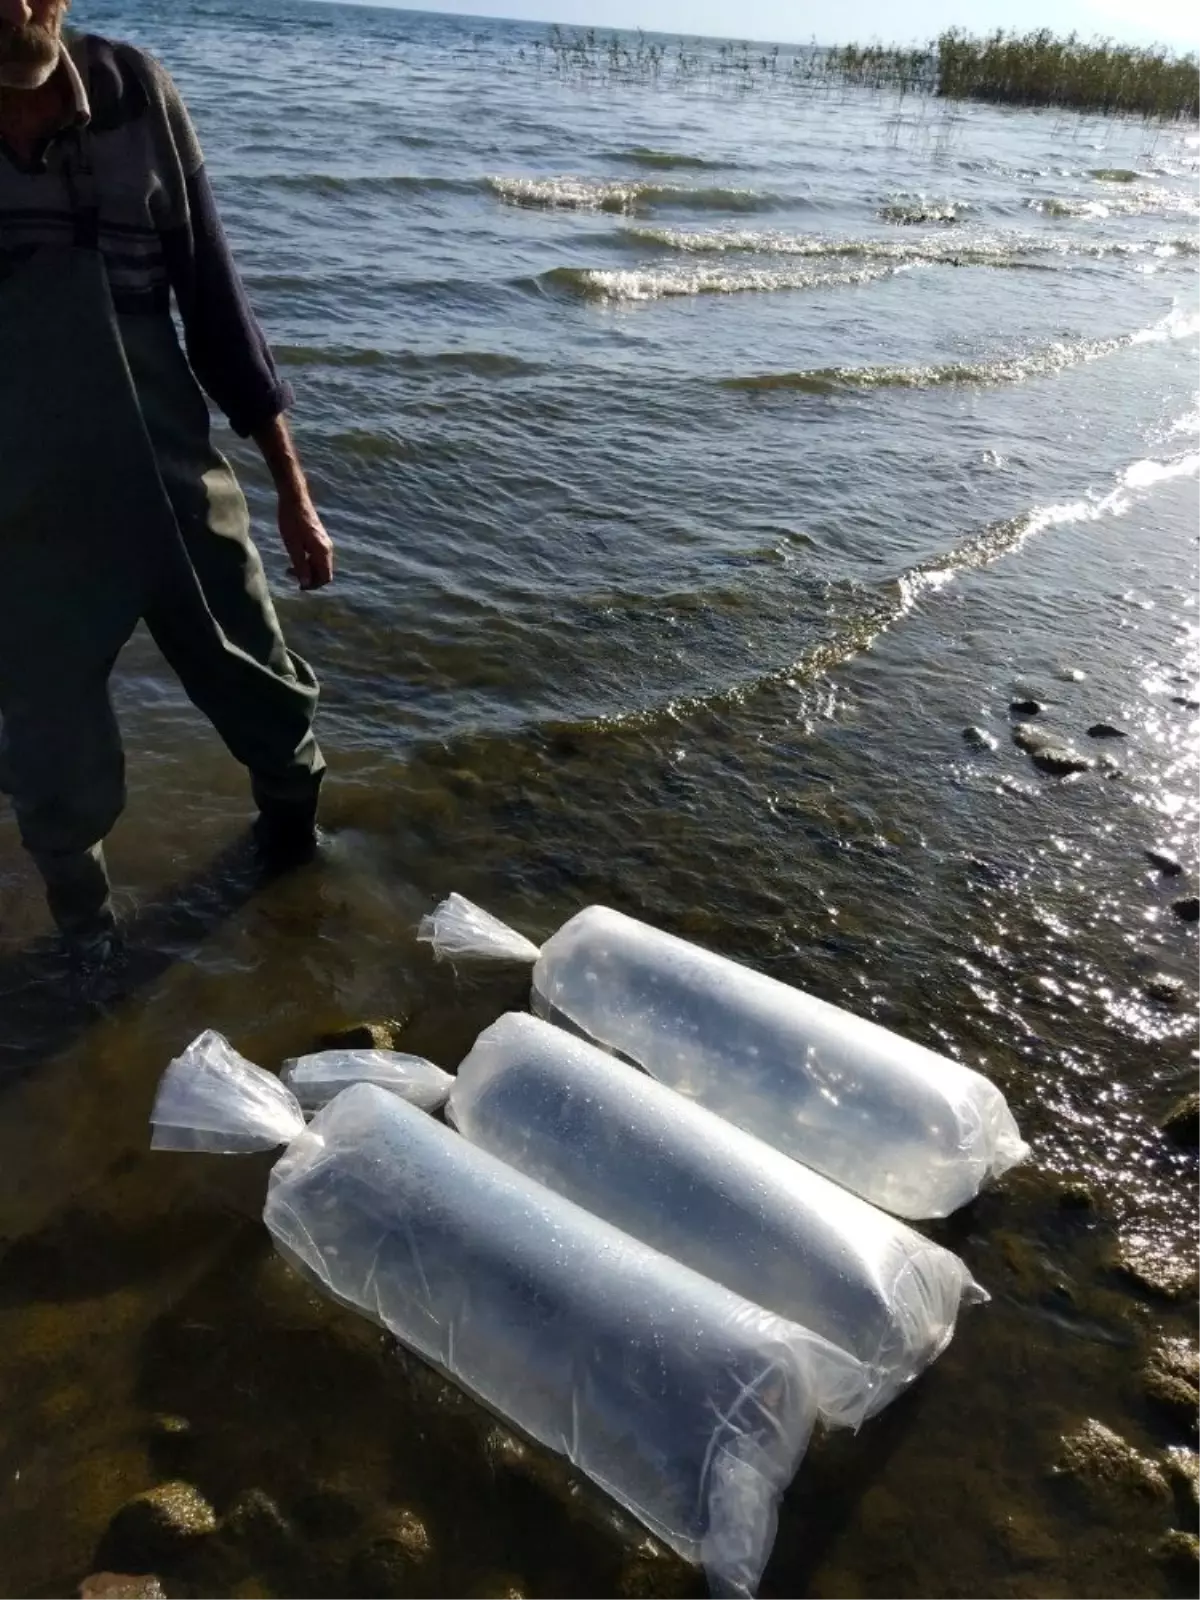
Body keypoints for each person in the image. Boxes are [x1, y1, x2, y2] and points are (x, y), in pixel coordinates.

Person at [0, 0, 334, 955]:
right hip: (25, 516)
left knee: (268, 696)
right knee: (51, 760)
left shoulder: (137, 92)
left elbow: (216, 304)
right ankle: (86, 956)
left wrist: (292, 491)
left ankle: (299, 873)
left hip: (176, 479)